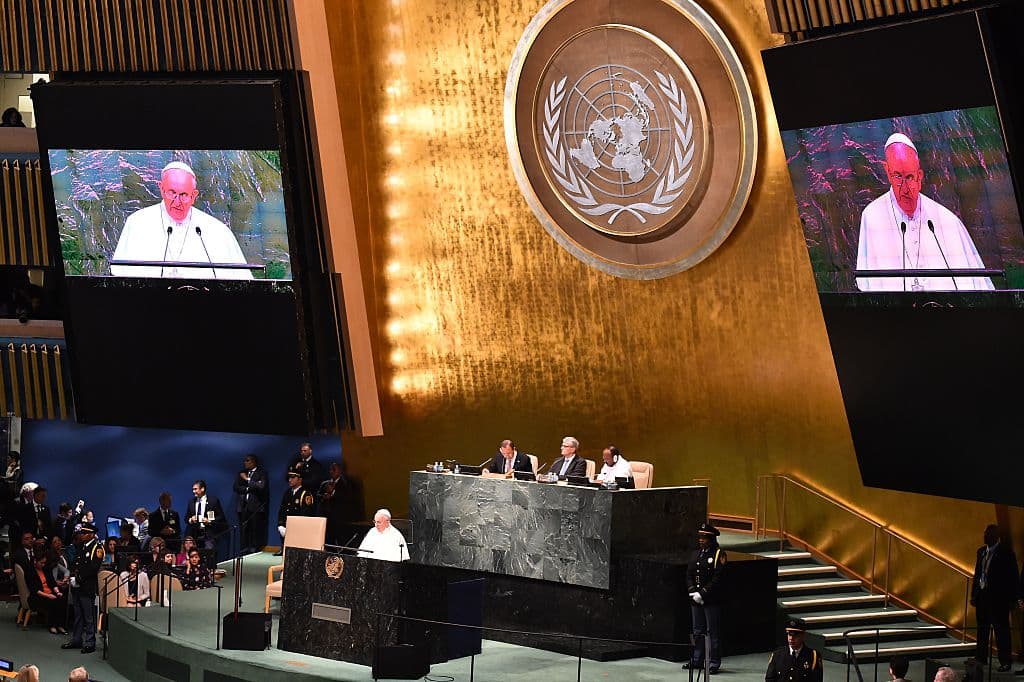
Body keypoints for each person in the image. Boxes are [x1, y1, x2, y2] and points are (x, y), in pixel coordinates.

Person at [856, 132, 994, 292]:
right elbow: (866, 287)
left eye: (909, 177)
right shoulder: (873, 216)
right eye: (897, 176)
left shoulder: (946, 221)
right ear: (887, 172)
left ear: (919, 176)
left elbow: (978, 289)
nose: (905, 189)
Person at [110, 161, 253, 279]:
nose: (177, 202)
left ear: (194, 195)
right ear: (161, 189)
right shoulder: (137, 223)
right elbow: (119, 276)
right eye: (172, 193)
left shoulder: (217, 231)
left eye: (184, 195)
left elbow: (242, 281)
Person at [970, 523, 1017, 671]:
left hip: (998, 600)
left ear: (994, 536)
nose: (984, 536)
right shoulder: (981, 551)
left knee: (1001, 631)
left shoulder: (1006, 553)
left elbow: (1012, 577)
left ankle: (1005, 661)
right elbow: (977, 574)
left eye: (987, 534)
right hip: (982, 597)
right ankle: (981, 658)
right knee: (982, 630)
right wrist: (974, 595)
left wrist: (1012, 600)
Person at [683, 522, 727, 674]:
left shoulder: (718, 554)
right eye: (700, 537)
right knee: (697, 631)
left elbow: (718, 578)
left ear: (712, 538)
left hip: (711, 599)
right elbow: (689, 574)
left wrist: (702, 593)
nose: (701, 540)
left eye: (705, 537)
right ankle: (697, 659)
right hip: (695, 599)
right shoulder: (696, 554)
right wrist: (692, 592)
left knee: (712, 631)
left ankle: (713, 662)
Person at [62, 522, 103, 654]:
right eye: (82, 533)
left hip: (87, 586)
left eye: (84, 533)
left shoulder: (97, 548)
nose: (82, 535)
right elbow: (76, 563)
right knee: (78, 614)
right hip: (77, 586)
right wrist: (72, 576)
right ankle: (76, 639)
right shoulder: (82, 546)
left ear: (91, 534)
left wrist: (78, 579)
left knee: (88, 616)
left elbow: (93, 568)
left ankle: (90, 642)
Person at [233, 454, 269, 554]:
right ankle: (244, 549)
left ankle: (254, 549)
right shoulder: (242, 473)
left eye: (247, 460)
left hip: (256, 507)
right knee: (244, 529)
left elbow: (261, 486)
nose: (245, 462)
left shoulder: (261, 473)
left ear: (253, 462)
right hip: (243, 506)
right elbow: (236, 487)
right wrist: (248, 488)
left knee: (255, 529)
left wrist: (248, 480)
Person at [275, 470, 316, 555]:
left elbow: (306, 515)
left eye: (293, 477)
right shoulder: (287, 492)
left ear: (300, 479)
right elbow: (282, 510)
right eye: (289, 478)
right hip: (286, 530)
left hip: (299, 532)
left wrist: (294, 529)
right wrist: (280, 525)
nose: (290, 480)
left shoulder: (305, 494)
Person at [27, 553, 67, 634]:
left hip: (49, 592)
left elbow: (52, 583)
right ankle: (52, 625)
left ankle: (60, 625)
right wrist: (48, 595)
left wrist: (57, 592)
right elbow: (34, 590)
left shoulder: (46, 569)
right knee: (52, 602)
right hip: (37, 596)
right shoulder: (30, 571)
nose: (43, 564)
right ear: (35, 561)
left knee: (62, 599)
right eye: (41, 563)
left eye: (44, 563)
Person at [186, 480, 226, 551]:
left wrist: (209, 521)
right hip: (195, 535)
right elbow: (186, 518)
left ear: (202, 489)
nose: (193, 491)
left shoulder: (213, 501)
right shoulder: (191, 502)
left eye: (195, 489)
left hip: (209, 535)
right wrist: (191, 520)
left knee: (209, 556)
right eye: (193, 489)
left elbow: (221, 517)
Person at [318, 461, 349, 545]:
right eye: (330, 469)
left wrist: (332, 495)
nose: (331, 471)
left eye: (334, 469)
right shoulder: (324, 484)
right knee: (327, 540)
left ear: (340, 471)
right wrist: (324, 496)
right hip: (326, 518)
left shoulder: (345, 484)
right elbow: (318, 496)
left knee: (340, 540)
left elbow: (346, 498)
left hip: (338, 519)